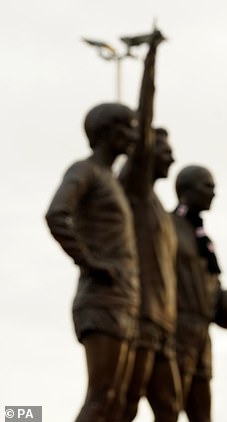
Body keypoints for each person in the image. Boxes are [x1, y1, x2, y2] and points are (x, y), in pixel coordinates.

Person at [45, 101, 140, 422]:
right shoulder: (84, 171)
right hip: (101, 299)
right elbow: (57, 214)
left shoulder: (112, 181)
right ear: (106, 131)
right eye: (128, 127)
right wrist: (91, 262)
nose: (133, 135)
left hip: (123, 300)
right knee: (101, 399)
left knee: (116, 403)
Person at [118, 30, 182, 422]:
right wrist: (150, 59)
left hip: (164, 322)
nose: (171, 159)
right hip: (139, 316)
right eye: (165, 151)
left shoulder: (160, 208)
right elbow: (144, 117)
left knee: (169, 407)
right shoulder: (136, 190)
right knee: (123, 404)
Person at [172, 165, 227, 422]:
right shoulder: (168, 226)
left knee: (202, 413)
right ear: (187, 189)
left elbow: (209, 284)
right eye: (208, 186)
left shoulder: (202, 235)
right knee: (168, 408)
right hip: (175, 331)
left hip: (200, 333)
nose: (213, 193)